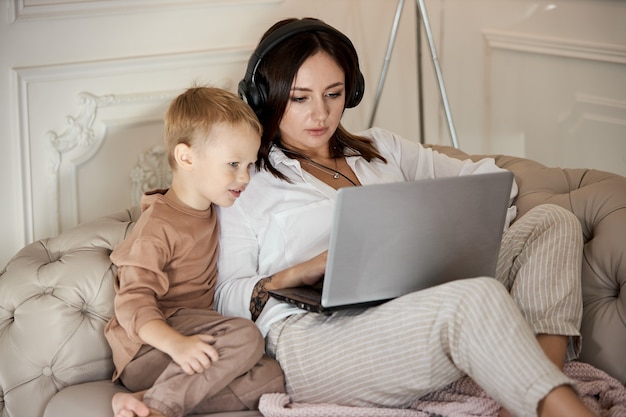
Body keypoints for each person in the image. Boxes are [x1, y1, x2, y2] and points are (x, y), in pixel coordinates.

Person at [215, 17, 597, 417]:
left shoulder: (382, 149)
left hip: (415, 298)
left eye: (333, 93)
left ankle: (530, 390)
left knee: (553, 221)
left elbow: (491, 181)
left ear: (352, 91)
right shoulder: (245, 178)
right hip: (312, 338)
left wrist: (445, 237)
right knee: (472, 297)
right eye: (299, 98)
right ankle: (561, 409)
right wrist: (297, 272)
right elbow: (225, 294)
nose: (321, 114)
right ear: (265, 96)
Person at [104, 86, 285, 417]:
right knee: (246, 335)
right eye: (233, 164)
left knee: (271, 378)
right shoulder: (157, 226)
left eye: (248, 164)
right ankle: (160, 407)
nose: (245, 178)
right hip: (148, 348)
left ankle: (147, 401)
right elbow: (132, 303)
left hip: (195, 340)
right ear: (186, 158)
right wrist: (176, 344)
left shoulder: (217, 208)